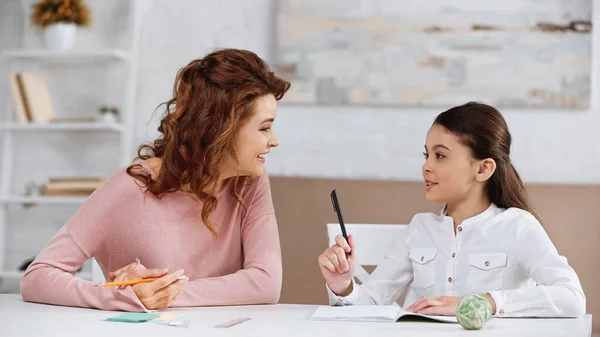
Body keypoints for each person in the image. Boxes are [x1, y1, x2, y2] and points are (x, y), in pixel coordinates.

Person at [21, 48, 291, 311]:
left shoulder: (249, 182)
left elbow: (266, 283)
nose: (274, 140)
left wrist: (160, 293)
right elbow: (38, 276)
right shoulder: (129, 188)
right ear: (221, 130)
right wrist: (116, 296)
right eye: (264, 128)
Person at [318, 102, 586, 318]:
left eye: (440, 155)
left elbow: (571, 297)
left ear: (483, 169)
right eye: (427, 155)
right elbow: (371, 302)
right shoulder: (419, 229)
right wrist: (343, 285)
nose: (426, 166)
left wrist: (485, 303)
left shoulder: (517, 226)